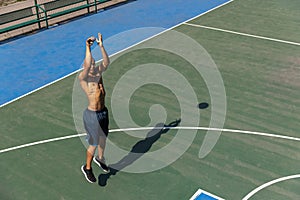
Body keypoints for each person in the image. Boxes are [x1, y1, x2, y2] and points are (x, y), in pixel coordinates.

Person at [79, 33, 110, 183]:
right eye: (89, 64)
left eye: (93, 64)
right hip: (92, 115)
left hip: (103, 112)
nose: (92, 66)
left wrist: (101, 46)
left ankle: (101, 158)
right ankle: (88, 167)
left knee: (103, 138)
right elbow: (88, 62)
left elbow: (106, 62)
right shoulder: (83, 78)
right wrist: (87, 47)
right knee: (94, 143)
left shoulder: (98, 74)